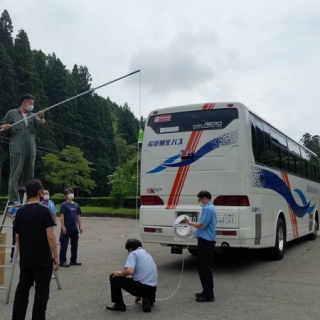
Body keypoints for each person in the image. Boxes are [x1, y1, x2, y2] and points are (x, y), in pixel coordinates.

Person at [12, 179, 59, 320]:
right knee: (41, 292)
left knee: (22, 290)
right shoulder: (45, 211)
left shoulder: (19, 212)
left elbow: (17, 238)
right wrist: (56, 257)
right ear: (40, 192)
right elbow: (50, 236)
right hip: (42, 258)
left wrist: (21, 256)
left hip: (26, 258)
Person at [0, 94, 46, 207]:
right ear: (24, 102)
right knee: (16, 171)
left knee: (29, 172)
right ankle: (13, 198)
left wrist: (41, 117)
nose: (32, 106)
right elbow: (1, 125)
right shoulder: (12, 113)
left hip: (31, 144)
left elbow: (42, 124)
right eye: (30, 103)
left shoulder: (33, 115)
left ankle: (29, 196)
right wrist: (4, 126)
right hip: (17, 144)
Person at [106, 238, 158, 313]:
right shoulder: (146, 253)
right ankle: (148, 299)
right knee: (145, 289)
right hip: (152, 289)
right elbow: (143, 276)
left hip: (141, 288)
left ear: (130, 249)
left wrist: (119, 273)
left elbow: (130, 271)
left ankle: (119, 304)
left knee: (114, 277)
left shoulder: (133, 253)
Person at [184, 190, 217, 302]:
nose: (199, 202)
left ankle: (209, 295)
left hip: (207, 242)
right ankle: (205, 290)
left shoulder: (208, 209)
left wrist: (189, 223)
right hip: (205, 240)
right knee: (203, 267)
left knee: (205, 268)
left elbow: (202, 225)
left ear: (204, 198)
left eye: (199, 200)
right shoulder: (209, 208)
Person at [59, 188, 83, 267]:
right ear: (65, 195)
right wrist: (63, 227)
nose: (71, 194)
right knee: (64, 245)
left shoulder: (76, 205)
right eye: (69, 193)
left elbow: (78, 216)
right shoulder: (64, 205)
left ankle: (73, 260)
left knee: (74, 244)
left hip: (74, 228)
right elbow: (62, 216)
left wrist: (80, 226)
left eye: (71, 192)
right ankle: (62, 261)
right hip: (66, 228)